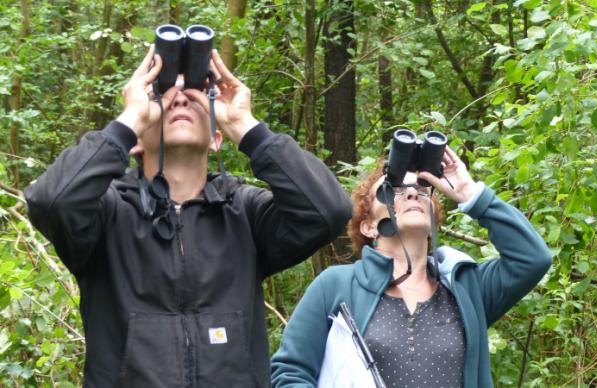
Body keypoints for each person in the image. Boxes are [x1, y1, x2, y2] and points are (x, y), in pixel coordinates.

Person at [24, 45, 351, 387]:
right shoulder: (106, 216)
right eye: (163, 95)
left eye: (195, 94)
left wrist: (246, 126)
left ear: (217, 139)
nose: (179, 99)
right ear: (134, 142)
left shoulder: (245, 213)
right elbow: (51, 201)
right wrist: (128, 121)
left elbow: (328, 210)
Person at [271, 146, 552, 387]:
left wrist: (469, 193)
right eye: (391, 189)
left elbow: (532, 258)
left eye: (421, 189)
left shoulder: (467, 289)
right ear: (368, 226)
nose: (411, 194)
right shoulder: (336, 285)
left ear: (432, 223)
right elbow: (290, 372)